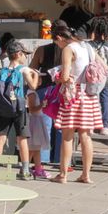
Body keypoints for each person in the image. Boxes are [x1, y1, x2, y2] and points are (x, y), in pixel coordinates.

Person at [51, 23, 103, 183]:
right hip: (89, 95)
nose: (58, 46)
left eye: (56, 43)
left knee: (67, 136)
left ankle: (63, 175)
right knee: (86, 136)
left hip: (73, 95)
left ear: (60, 38)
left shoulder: (68, 49)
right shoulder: (87, 47)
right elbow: (103, 66)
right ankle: (86, 175)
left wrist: (56, 77)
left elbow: (65, 77)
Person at [0, 40, 38, 180]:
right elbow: (33, 86)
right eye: (24, 55)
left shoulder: (0, 71)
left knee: (0, 137)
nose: (25, 57)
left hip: (3, 108)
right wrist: (36, 75)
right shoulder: (24, 70)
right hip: (19, 109)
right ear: (19, 54)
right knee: (22, 139)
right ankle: (26, 170)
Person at [30, 26, 66, 167]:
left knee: (44, 126)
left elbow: (33, 68)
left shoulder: (41, 50)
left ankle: (43, 158)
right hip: (61, 91)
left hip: (44, 90)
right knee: (61, 125)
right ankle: (58, 158)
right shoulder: (68, 51)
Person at [87, 18, 108, 134]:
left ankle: (90, 125)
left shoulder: (88, 45)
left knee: (91, 99)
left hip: (92, 77)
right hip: (106, 77)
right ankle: (104, 126)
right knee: (105, 99)